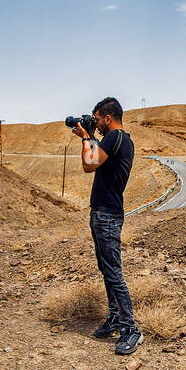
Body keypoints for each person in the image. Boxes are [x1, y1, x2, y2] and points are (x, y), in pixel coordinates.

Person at [76, 97, 138, 354]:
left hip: (107, 215)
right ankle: (115, 317)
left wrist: (85, 137)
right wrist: (90, 135)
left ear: (108, 118)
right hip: (105, 213)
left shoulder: (115, 137)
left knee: (113, 272)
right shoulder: (124, 140)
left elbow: (88, 165)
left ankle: (131, 328)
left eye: (98, 119)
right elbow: (97, 161)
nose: (97, 124)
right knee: (107, 269)